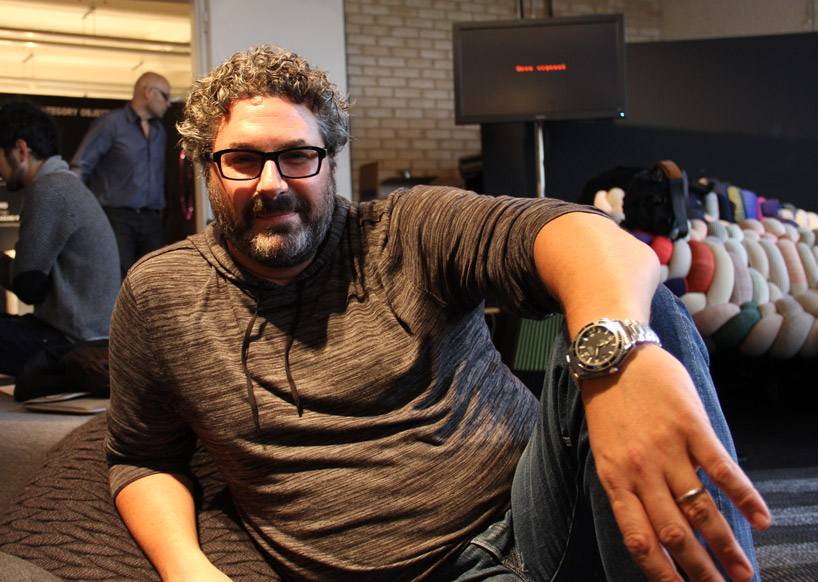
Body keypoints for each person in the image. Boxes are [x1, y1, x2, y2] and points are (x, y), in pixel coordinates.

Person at [105, 46, 770, 582]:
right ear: (207, 169)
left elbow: (592, 240)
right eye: (243, 161)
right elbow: (141, 456)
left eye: (298, 156)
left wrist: (621, 355)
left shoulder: (408, 227)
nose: (272, 183)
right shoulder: (161, 295)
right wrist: (187, 568)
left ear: (329, 161)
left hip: (537, 513)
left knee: (641, 314)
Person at [0, 102, 120, 376]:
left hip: (74, 342)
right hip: (85, 334)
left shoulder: (49, 189)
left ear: (20, 150)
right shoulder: (63, 183)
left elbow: (28, 286)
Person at [71, 71, 171, 279]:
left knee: (153, 280)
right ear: (148, 92)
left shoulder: (158, 131)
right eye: (165, 96)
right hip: (117, 218)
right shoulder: (111, 123)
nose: (168, 103)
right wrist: (75, 215)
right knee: (118, 280)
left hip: (152, 219)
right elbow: (80, 167)